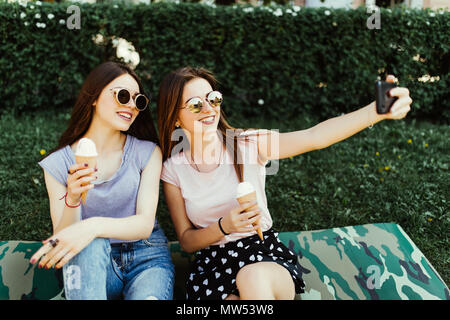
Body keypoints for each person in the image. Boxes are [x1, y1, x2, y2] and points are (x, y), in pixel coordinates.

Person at [157, 66, 412, 300]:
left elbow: (315, 136)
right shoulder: (173, 170)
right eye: (194, 105)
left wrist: (375, 112)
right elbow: (187, 241)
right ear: (175, 117)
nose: (209, 108)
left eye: (213, 98)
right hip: (212, 266)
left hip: (261, 253)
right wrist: (224, 226)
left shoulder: (247, 143)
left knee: (252, 278)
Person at [30, 61, 175, 300]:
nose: (131, 106)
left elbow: (144, 224)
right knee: (90, 245)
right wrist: (73, 198)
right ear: (94, 97)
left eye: (138, 101)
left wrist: (92, 226)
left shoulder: (147, 152)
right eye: (123, 95)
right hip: (92, 259)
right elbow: (64, 237)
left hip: (147, 258)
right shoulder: (58, 163)